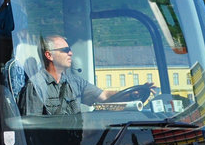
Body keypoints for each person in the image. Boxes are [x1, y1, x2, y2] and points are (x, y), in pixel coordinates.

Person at [21, 34, 150, 115]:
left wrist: (132, 94)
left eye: (70, 49)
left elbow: (104, 95)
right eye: (65, 50)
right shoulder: (36, 85)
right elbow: (31, 126)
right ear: (49, 55)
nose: (70, 53)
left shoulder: (75, 82)